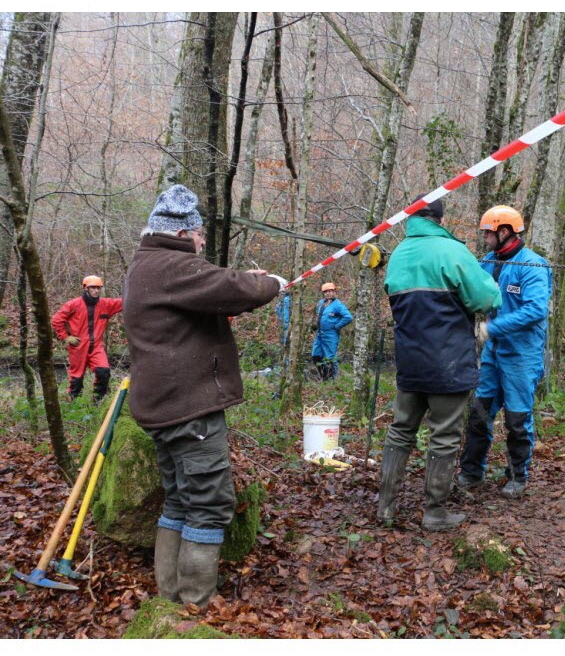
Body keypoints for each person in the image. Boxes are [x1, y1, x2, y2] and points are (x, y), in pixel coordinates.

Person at [123, 184, 286, 608]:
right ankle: (195, 604)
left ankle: (171, 598)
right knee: (210, 503)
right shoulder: (170, 266)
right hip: (186, 408)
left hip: (169, 406)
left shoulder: (151, 265)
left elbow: (216, 294)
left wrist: (251, 288)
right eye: (198, 235)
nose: (201, 243)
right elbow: (230, 286)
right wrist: (269, 283)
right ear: (180, 234)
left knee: (180, 497)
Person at [378, 196, 502, 531]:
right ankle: (434, 513)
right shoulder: (453, 252)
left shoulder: (399, 255)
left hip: (409, 361)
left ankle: (385, 507)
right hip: (449, 362)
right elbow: (487, 298)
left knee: (400, 430)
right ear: (439, 220)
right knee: (444, 435)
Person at [458, 205, 551, 499]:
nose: (484, 237)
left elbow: (536, 310)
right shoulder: (487, 261)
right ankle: (472, 472)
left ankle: (518, 475)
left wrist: (492, 329)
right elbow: (467, 285)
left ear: (504, 231)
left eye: (488, 232)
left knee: (517, 418)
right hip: (492, 355)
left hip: (522, 355)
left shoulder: (534, 265)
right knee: (479, 413)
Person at [52, 275, 123, 403]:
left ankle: (98, 402)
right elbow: (56, 320)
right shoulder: (73, 304)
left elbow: (125, 302)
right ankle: (74, 404)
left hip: (96, 346)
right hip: (78, 346)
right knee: (76, 377)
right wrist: (66, 337)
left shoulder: (106, 304)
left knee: (104, 371)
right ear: (86, 288)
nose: (96, 291)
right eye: (93, 288)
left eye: (98, 288)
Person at [310, 282, 353, 380]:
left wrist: (337, 326)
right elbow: (318, 315)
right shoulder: (321, 303)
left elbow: (348, 317)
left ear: (334, 292)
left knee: (330, 358)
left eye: (330, 291)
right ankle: (324, 377)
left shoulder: (338, 305)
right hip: (319, 334)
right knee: (315, 355)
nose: (328, 293)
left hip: (330, 334)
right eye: (326, 292)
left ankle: (334, 379)